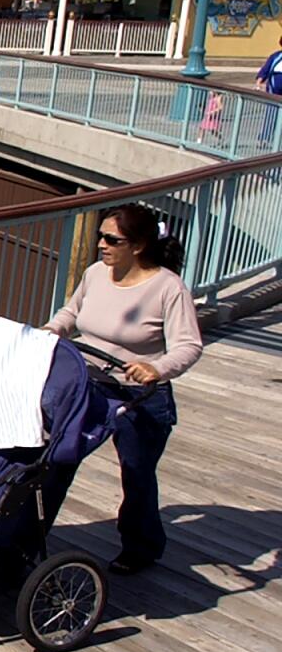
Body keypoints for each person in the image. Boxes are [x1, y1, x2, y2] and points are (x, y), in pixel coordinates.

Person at [45, 202, 203, 574]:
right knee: (54, 460)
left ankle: (141, 547)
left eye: (111, 239)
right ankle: (29, 534)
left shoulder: (168, 288)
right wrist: (53, 330)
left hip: (140, 395)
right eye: (100, 236)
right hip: (90, 383)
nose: (101, 244)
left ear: (138, 245)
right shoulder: (97, 273)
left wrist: (156, 367)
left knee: (136, 472)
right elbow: (72, 312)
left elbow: (189, 345)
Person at [256, 46, 282, 144]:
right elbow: (265, 70)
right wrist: (259, 83)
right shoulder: (276, 56)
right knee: (271, 111)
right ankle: (265, 137)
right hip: (274, 87)